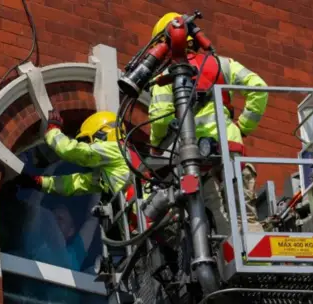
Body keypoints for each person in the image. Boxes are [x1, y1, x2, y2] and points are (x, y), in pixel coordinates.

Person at [147, 12, 268, 236]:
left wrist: (155, 145)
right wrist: (243, 127)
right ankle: (258, 263)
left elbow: (161, 117)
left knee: (215, 216)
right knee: (244, 214)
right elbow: (259, 88)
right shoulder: (222, 64)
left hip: (194, 156)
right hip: (230, 148)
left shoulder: (165, 76)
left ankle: (231, 259)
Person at [14, 109, 151, 235]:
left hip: (144, 219)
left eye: (89, 141)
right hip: (145, 221)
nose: (90, 146)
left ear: (102, 133)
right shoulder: (119, 164)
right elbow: (76, 183)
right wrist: (41, 183)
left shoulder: (114, 149)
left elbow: (72, 150)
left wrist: (52, 131)